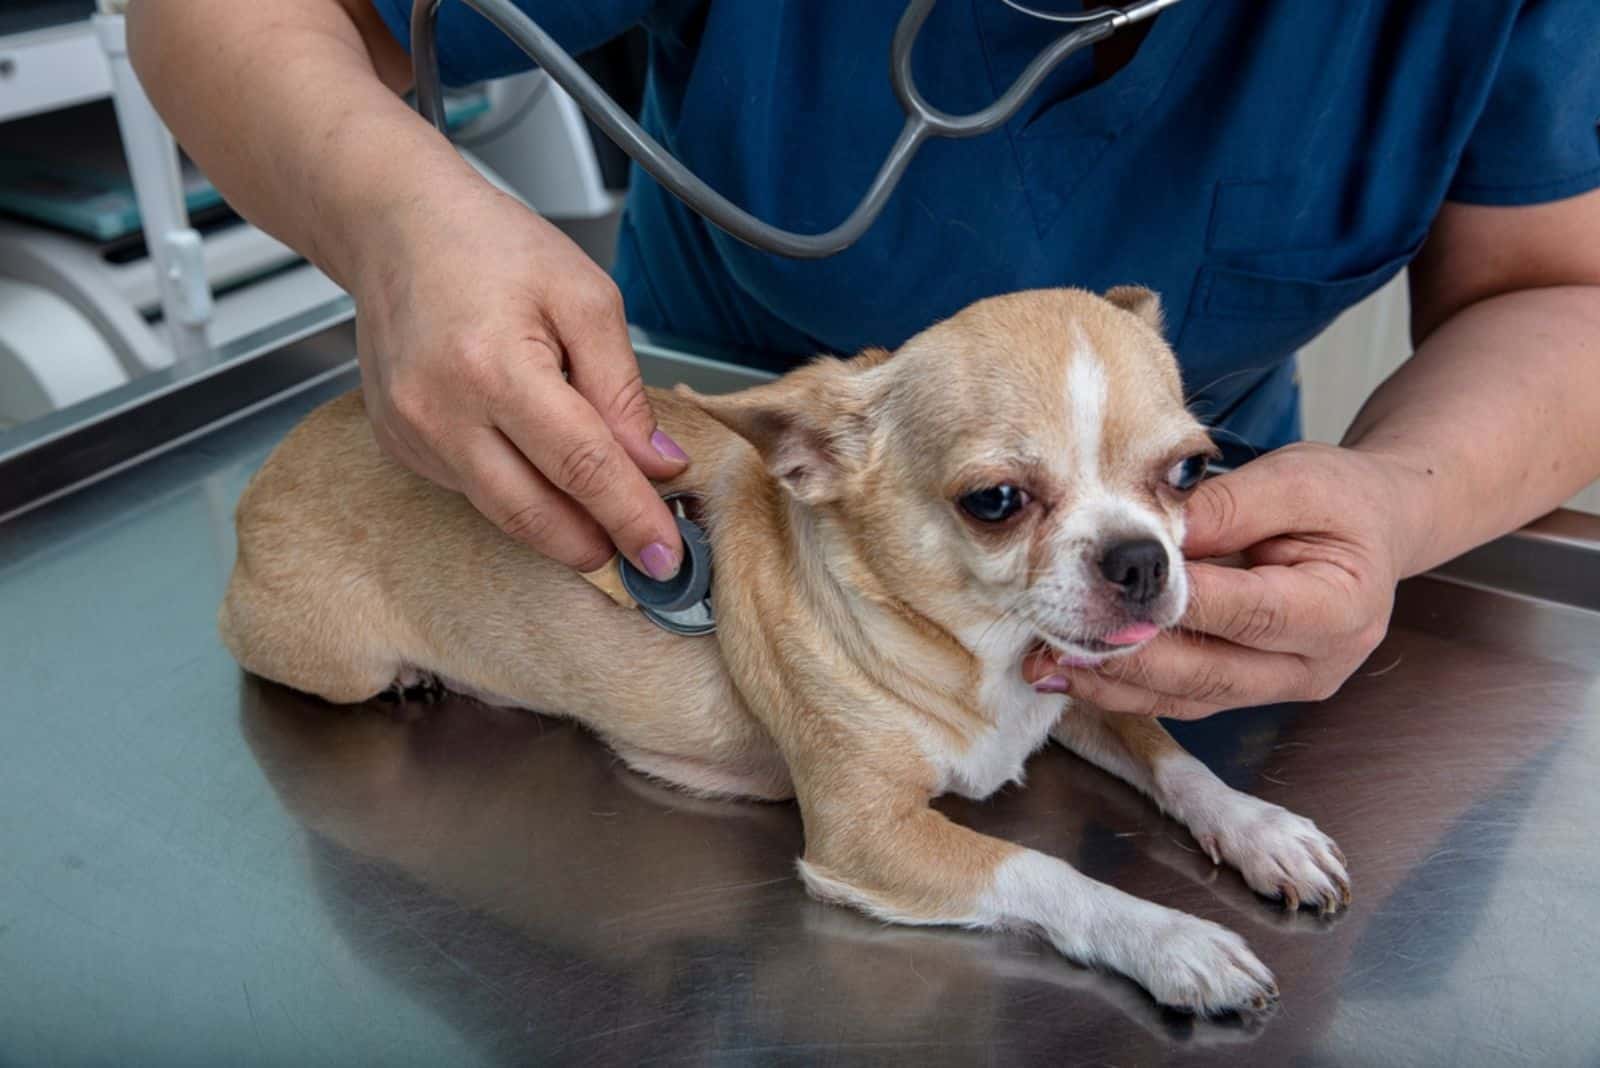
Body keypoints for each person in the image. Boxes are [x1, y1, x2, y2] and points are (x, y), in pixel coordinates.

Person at [128, 1, 1600, 719]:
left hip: (1188, 619)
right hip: (686, 508)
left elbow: (1557, 290)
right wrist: (395, 220)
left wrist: (1400, 505)